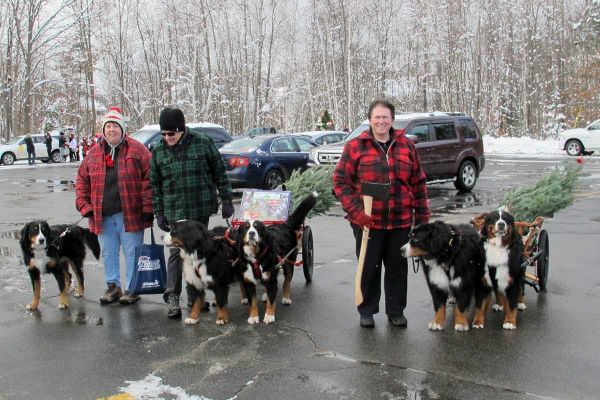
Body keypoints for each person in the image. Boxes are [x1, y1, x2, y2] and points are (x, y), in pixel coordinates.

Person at [333, 99, 430, 328]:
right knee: (369, 266)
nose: (381, 121)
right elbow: (339, 182)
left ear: (392, 120)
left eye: (385, 117)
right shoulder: (356, 146)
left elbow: (418, 183)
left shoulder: (406, 146)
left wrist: (423, 219)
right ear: (369, 119)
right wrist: (357, 212)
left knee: (397, 268)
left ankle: (396, 310)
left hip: (400, 221)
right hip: (367, 223)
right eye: (377, 117)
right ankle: (366, 310)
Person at [150, 107, 234, 319]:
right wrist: (158, 212)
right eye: (164, 134)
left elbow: (220, 174)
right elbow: (155, 185)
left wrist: (226, 200)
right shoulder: (158, 151)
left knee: (200, 252)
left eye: (171, 133)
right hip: (174, 210)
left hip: (200, 209)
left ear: (182, 129)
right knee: (176, 254)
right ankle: (172, 297)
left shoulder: (203, 143)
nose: (167, 138)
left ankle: (195, 296)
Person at [75, 106, 154, 305]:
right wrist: (85, 206)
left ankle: (132, 288)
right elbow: (81, 182)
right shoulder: (93, 154)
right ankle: (113, 287)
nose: (112, 130)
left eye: (115, 126)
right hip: (102, 216)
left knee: (132, 252)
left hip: (130, 213)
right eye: (108, 126)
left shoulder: (138, 150)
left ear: (122, 129)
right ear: (103, 130)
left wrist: (147, 207)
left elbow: (150, 179)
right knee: (108, 253)